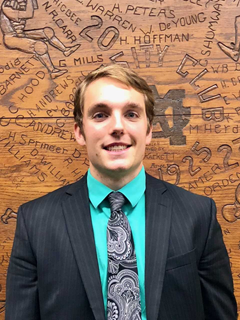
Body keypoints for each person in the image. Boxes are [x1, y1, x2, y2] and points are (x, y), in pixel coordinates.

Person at [6, 64, 237, 320]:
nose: (118, 127)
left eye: (131, 114)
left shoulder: (198, 215)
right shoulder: (35, 221)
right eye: (100, 115)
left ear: (148, 130)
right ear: (79, 132)